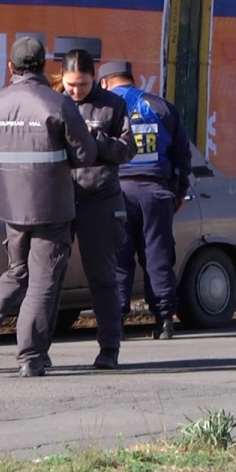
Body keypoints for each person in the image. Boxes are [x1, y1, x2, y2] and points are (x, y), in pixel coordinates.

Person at [0, 37, 97, 378]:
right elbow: (86, 154)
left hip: (10, 206)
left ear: (11, 68)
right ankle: (30, 355)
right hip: (51, 207)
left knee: (16, 272)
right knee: (42, 281)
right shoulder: (56, 103)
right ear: (44, 67)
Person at [50, 49, 136, 370]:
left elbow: (128, 149)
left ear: (95, 78)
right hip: (59, 198)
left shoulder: (113, 105)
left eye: (82, 85)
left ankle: (109, 348)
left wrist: (96, 141)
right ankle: (38, 349)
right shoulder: (54, 103)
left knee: (102, 277)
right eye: (70, 85)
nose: (75, 91)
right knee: (49, 276)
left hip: (99, 200)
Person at [99, 61, 192, 340]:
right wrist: (178, 193)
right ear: (132, 79)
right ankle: (164, 321)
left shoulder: (105, 108)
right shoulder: (161, 107)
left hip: (117, 194)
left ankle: (118, 323)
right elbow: (182, 156)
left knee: (119, 258)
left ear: (104, 82)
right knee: (158, 256)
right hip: (157, 193)